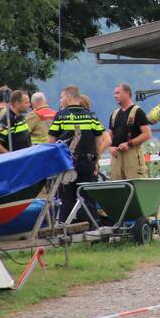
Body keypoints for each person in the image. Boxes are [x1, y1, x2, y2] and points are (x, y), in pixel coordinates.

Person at [49, 86, 108, 224]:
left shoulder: (61, 116)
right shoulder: (91, 115)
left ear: (69, 97)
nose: (61, 100)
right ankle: (92, 229)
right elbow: (99, 140)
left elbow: (51, 142)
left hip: (67, 164)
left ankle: (66, 231)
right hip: (87, 163)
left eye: (62, 97)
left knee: (67, 199)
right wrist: (95, 159)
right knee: (88, 198)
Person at [104, 83, 151, 180]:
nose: (115, 96)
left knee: (135, 185)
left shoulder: (138, 112)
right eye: (114, 93)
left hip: (132, 154)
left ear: (127, 93)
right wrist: (110, 147)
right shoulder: (115, 114)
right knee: (118, 187)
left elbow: (147, 134)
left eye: (118, 93)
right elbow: (109, 135)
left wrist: (129, 144)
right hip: (116, 156)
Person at [0, 90, 32, 155]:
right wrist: (11, 156)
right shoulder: (7, 120)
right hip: (16, 161)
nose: (29, 105)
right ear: (17, 104)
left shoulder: (20, 117)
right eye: (26, 103)